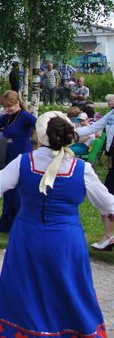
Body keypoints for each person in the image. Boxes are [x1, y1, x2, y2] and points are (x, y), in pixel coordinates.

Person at [0, 113, 114, 338]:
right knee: (70, 293)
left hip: (27, 240)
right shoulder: (83, 170)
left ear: (39, 137)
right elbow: (108, 204)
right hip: (66, 243)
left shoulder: (23, 162)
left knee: (24, 292)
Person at [0, 90, 37, 233]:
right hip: (9, 153)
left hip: (22, 153)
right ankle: (7, 222)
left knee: (18, 190)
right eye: (5, 107)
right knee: (9, 188)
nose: (7, 109)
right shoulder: (8, 117)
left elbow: (40, 125)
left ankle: (20, 224)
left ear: (18, 103)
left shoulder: (25, 116)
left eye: (10, 106)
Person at [76, 93, 114, 250]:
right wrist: (70, 133)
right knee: (106, 199)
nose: (111, 101)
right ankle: (108, 236)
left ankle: (108, 237)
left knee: (107, 198)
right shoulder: (111, 115)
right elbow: (94, 127)